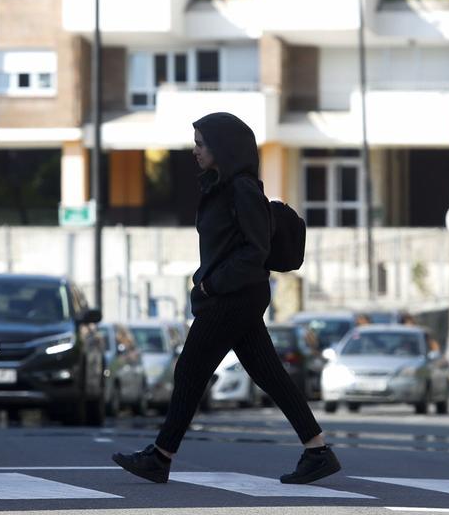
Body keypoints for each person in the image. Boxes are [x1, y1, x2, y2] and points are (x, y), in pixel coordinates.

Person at [113, 112, 339, 485]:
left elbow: (255, 250)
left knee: (190, 369)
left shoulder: (243, 189)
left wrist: (210, 285)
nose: (195, 151)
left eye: (201, 144)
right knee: (268, 373)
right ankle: (317, 451)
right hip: (235, 296)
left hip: (233, 297)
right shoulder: (221, 187)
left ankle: (161, 456)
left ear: (223, 148)